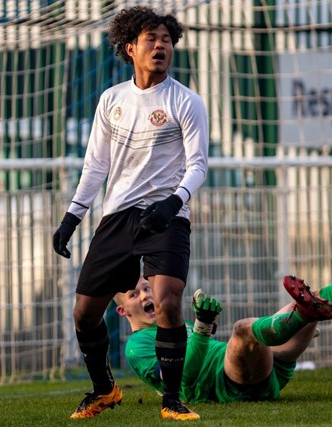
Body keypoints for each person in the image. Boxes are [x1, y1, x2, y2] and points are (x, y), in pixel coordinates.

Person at [52, 6, 209, 421]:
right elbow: (95, 167)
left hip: (167, 216)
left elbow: (198, 165)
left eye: (166, 40)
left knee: (168, 302)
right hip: (118, 216)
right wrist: (71, 218)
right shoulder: (111, 100)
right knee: (84, 313)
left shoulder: (187, 101)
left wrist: (174, 203)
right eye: (150, 39)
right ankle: (104, 390)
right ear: (130, 48)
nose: (160, 46)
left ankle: (172, 401)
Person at [114, 216, 332, 403]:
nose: (145, 295)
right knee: (243, 331)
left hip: (263, 368)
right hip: (228, 384)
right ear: (123, 311)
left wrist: (200, 329)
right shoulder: (137, 346)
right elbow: (183, 379)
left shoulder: (171, 325)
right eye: (133, 294)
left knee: (315, 297)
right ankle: (303, 315)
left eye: (146, 287)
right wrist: (203, 328)